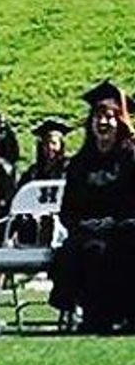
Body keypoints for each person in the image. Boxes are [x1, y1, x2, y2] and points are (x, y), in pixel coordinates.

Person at [49, 82, 135, 334]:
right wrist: (87, 226)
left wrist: (113, 224)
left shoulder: (131, 158)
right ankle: (96, 317)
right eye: (99, 116)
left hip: (125, 228)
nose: (104, 122)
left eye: (110, 116)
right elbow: (68, 211)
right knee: (90, 248)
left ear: (120, 122)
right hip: (88, 231)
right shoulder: (79, 164)